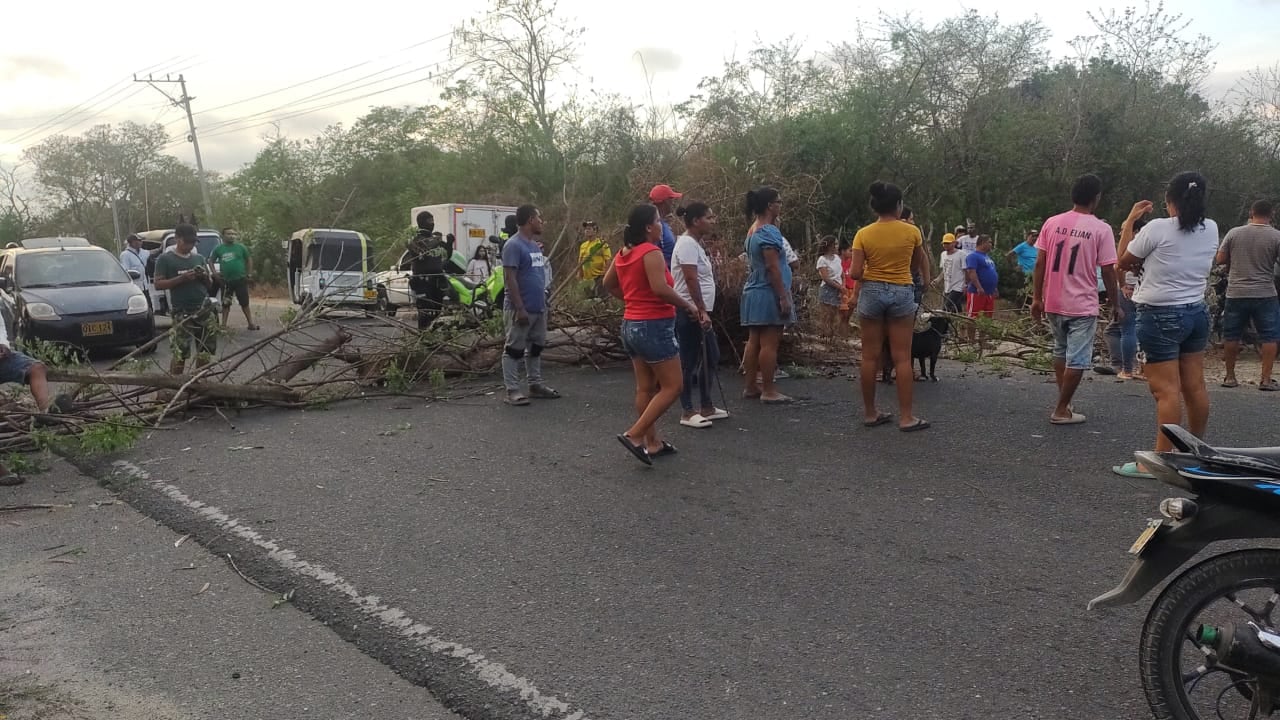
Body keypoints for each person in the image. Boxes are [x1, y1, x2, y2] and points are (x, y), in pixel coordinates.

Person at [1113, 172, 1218, 479]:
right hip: (1196, 312)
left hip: (1159, 314)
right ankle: (1195, 452)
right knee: (1194, 386)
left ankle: (1158, 461)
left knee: (1166, 391)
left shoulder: (1157, 228)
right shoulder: (1211, 227)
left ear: (1170, 200)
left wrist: (1129, 222)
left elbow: (1122, 261)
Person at [603, 204, 704, 465]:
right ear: (648, 227)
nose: (662, 225)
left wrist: (633, 300)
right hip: (653, 326)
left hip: (631, 325)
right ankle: (635, 435)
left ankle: (652, 443)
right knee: (673, 386)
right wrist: (688, 304)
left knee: (645, 387)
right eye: (658, 221)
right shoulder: (651, 252)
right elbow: (660, 288)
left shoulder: (625, 252)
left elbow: (608, 283)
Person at [1031, 173, 1121, 425]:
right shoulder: (1101, 229)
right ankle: (1061, 409)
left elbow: (1040, 262)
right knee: (1079, 359)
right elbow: (1107, 270)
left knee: (1060, 351)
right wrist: (1115, 304)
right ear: (1097, 198)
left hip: (1053, 300)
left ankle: (1065, 402)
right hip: (1081, 303)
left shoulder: (1052, 222)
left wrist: (1036, 298)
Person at [849, 181, 931, 432]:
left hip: (872, 291)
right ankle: (907, 417)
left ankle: (871, 413)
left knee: (869, 356)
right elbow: (915, 264)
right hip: (901, 290)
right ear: (898, 206)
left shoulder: (863, 234)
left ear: (875, 206)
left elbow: (854, 273)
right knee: (902, 357)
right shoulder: (912, 232)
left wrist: (872, 271)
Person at [672, 203, 729, 429]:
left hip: (699, 310)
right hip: (690, 311)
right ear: (696, 221)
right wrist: (700, 309)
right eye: (709, 217)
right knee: (689, 360)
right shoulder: (686, 244)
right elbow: (690, 279)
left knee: (711, 355)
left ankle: (706, 405)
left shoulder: (696, 243)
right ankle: (687, 411)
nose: (713, 220)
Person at [739, 186, 795, 404]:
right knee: (770, 343)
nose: (781, 205)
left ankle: (751, 385)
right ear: (770, 205)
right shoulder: (769, 233)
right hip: (768, 292)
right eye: (778, 202)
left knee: (754, 340)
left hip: (754, 289)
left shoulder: (753, 231)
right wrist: (783, 296)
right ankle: (769, 389)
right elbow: (773, 267)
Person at [1216, 200, 1280, 390]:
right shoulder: (1276, 236)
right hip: (1265, 293)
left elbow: (1220, 259)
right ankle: (1266, 379)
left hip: (1236, 292)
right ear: (1272, 214)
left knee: (1232, 335)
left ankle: (1229, 377)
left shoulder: (1234, 233)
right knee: (1269, 336)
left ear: (1251, 212)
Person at [501, 204, 560, 406]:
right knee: (514, 349)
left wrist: (544, 303)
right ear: (529, 220)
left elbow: (538, 277)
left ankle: (535, 385)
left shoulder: (534, 246)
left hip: (538, 307)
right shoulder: (513, 245)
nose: (541, 221)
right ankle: (513, 390)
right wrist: (519, 308)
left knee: (536, 347)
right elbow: (510, 278)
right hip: (521, 308)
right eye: (539, 218)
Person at [154, 223, 217, 377]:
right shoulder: (165, 259)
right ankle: (174, 386)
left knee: (205, 351)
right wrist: (182, 278)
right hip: (182, 312)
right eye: (187, 241)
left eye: (193, 242)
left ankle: (198, 383)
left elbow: (209, 286)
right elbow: (158, 284)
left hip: (203, 309)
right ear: (177, 239)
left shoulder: (199, 258)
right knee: (180, 352)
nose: (190, 245)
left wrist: (203, 277)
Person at [407, 212, 451, 327]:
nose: (432, 223)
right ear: (422, 222)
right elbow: (424, 250)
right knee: (425, 313)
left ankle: (434, 339)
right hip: (422, 282)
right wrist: (436, 240)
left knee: (437, 312)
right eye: (429, 221)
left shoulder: (433, 239)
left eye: (433, 221)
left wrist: (449, 244)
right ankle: (425, 340)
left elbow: (447, 255)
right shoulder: (415, 240)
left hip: (437, 281)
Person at [210, 227, 258, 330]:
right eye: (229, 234)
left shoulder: (241, 247)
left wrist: (249, 274)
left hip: (240, 280)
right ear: (223, 236)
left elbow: (249, 259)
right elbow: (211, 261)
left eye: (234, 234)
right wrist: (215, 274)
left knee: (244, 302)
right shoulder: (219, 249)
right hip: (226, 281)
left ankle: (250, 323)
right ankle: (223, 325)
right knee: (226, 303)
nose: (232, 236)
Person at [815, 235, 845, 339]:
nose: (837, 246)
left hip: (838, 288)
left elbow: (841, 273)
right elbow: (826, 278)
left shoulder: (837, 258)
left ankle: (832, 335)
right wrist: (839, 287)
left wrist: (843, 286)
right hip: (828, 289)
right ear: (829, 246)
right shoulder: (822, 260)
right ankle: (824, 335)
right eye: (835, 244)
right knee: (826, 314)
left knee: (834, 314)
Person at [964, 235, 999, 319]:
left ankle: (983, 332)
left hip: (989, 293)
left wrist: (994, 288)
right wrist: (979, 287)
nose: (991, 244)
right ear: (982, 243)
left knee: (986, 319)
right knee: (973, 317)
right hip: (977, 293)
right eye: (989, 242)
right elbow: (971, 272)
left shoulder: (988, 258)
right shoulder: (973, 256)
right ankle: (971, 332)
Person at [649, 184, 683, 268]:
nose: (673, 202)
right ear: (665, 201)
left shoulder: (663, 224)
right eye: (671, 198)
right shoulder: (655, 227)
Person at [119, 233, 151, 309]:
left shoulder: (143, 252)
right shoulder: (125, 255)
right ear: (133, 242)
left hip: (145, 287)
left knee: (149, 308)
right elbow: (126, 271)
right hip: (135, 288)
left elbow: (152, 253)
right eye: (139, 240)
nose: (141, 242)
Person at [939, 233, 968, 313]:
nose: (946, 245)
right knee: (956, 307)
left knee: (946, 307)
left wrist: (965, 285)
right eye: (944, 243)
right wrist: (937, 280)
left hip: (958, 286)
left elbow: (966, 271)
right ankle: (960, 321)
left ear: (954, 243)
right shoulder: (943, 254)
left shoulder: (961, 254)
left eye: (948, 243)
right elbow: (944, 270)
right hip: (947, 286)